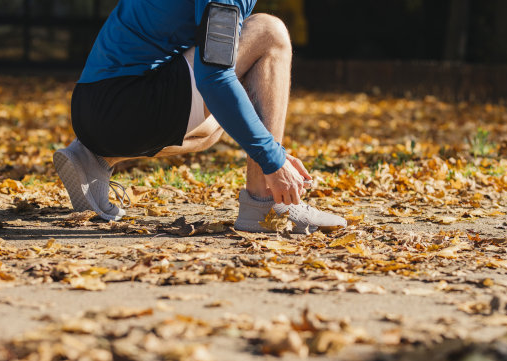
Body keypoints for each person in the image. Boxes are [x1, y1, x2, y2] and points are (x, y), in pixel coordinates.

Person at [53, 0, 346, 234]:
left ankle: (93, 157)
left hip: (91, 106)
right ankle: (264, 204)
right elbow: (214, 78)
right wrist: (274, 160)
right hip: (127, 102)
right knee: (269, 32)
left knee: (212, 129)